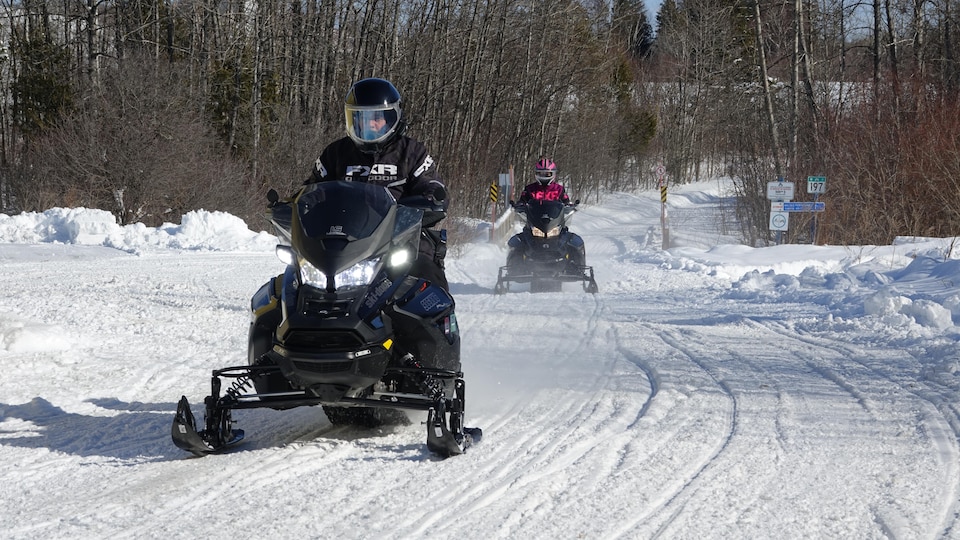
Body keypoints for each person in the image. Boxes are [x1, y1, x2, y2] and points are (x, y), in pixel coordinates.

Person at [305, 77, 450, 290]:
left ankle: (436, 322)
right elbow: (313, 189)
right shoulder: (336, 153)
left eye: (377, 118)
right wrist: (294, 206)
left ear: (393, 119)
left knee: (427, 278)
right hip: (345, 241)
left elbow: (433, 188)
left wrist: (427, 203)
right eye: (361, 118)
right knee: (293, 282)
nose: (369, 125)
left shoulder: (412, 153)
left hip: (401, 242)